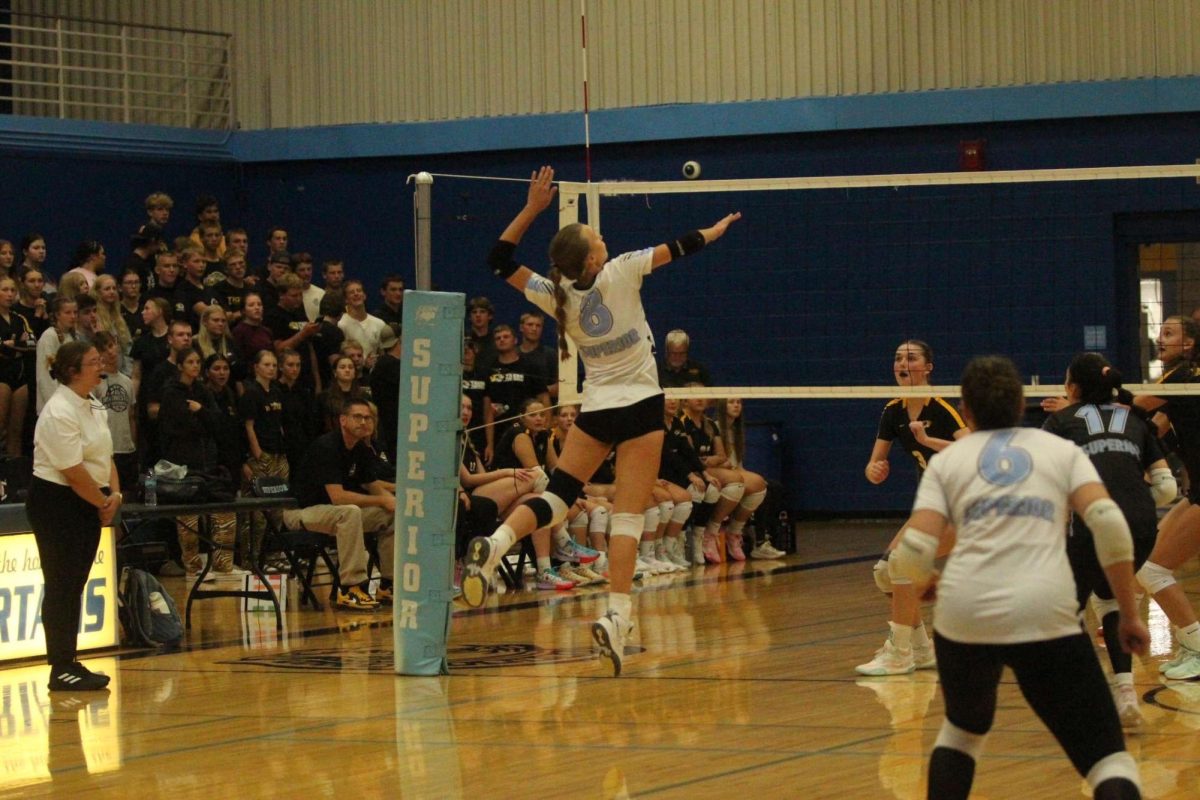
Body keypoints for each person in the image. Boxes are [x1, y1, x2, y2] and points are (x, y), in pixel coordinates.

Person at [461, 166, 740, 677]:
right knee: (629, 517)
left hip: (597, 409)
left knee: (559, 494)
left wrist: (531, 209)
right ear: (592, 257)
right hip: (640, 405)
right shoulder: (622, 269)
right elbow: (681, 246)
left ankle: (496, 543)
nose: (604, 238)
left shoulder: (554, 293)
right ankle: (617, 616)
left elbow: (498, 259)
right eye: (597, 238)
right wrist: (717, 231)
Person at [893, 355, 1147, 800]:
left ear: (965, 411)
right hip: (1044, 608)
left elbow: (912, 551)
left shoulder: (948, 463)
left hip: (964, 610)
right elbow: (1108, 524)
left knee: (962, 732)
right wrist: (1128, 614)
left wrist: (924, 582)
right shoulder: (1059, 451)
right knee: (1108, 758)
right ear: (1019, 404)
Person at [1043, 352, 1174, 728]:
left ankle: (1086, 697)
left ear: (1072, 388)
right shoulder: (1135, 418)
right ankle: (1126, 693)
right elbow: (1165, 489)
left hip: (1090, 521)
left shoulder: (1061, 420)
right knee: (1110, 598)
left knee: (1067, 610)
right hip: (1141, 524)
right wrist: (1131, 500)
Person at [857, 340, 968, 676]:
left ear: (928, 367)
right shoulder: (893, 411)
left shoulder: (942, 408)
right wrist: (874, 471)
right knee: (885, 573)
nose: (902, 363)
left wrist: (928, 441)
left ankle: (899, 650)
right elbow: (873, 465)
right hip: (933, 505)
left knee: (905, 563)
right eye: (897, 358)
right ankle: (920, 649)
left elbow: (976, 452)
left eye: (911, 357)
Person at [28, 340, 122, 691]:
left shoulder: (92, 404)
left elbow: (105, 455)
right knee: (62, 585)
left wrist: (114, 495)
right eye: (94, 361)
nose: (101, 365)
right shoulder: (58, 411)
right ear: (72, 371)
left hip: (87, 499)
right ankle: (60, 666)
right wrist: (101, 501)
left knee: (75, 584)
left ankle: (71, 661)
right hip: (57, 503)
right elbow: (72, 469)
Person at [1124, 315, 1200, 680]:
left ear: (1188, 345)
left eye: (1169, 333)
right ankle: (1192, 645)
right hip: (1195, 490)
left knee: (1152, 568)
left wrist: (1083, 401)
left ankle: (1197, 648)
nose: (1160, 338)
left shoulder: (1182, 376)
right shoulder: (1182, 390)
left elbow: (1133, 409)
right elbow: (1157, 434)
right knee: (1148, 564)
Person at [286, 398, 396, 611]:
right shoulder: (327, 446)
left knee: (390, 515)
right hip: (301, 511)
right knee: (350, 512)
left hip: (334, 513)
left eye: (367, 418)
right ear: (343, 420)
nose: (363, 422)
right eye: (358, 417)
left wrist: (392, 502)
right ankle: (350, 588)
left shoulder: (360, 449)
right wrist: (382, 499)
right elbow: (338, 497)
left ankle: (388, 584)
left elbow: (373, 486)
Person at [159, 348, 241, 581]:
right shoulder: (171, 393)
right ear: (181, 366)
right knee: (189, 518)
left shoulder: (203, 391)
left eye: (198, 362)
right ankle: (192, 567)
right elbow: (183, 426)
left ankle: (223, 564)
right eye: (190, 362)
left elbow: (219, 423)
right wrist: (204, 419)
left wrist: (201, 411)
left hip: (209, 462)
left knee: (222, 511)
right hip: (183, 463)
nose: (195, 366)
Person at [0, 276, 35, 457]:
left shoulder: (19, 318)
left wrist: (11, 345)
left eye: (12, 290)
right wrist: (15, 347)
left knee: (16, 431)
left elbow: (32, 344)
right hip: (2, 376)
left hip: (19, 376)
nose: (9, 294)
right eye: (5, 290)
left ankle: (15, 477)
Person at [35, 297, 78, 413]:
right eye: (68, 313)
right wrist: (55, 404)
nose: (73, 316)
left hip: (71, 397)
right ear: (57, 315)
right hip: (53, 404)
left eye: (75, 312)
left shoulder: (73, 336)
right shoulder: (49, 337)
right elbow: (46, 375)